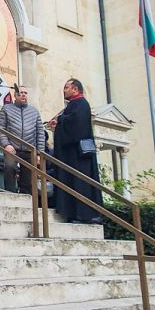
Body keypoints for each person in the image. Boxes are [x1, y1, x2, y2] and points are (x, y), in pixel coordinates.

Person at [52, 79, 103, 224]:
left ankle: (83, 215)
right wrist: (60, 121)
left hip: (78, 156)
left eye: (66, 87)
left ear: (75, 89)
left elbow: (76, 125)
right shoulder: (74, 104)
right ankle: (74, 213)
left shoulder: (81, 104)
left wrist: (60, 120)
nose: (64, 90)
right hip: (72, 155)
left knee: (80, 183)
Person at [0, 86, 45, 194]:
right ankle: (10, 195)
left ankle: (26, 199)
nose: (23, 94)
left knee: (28, 178)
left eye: (25, 93)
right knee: (9, 169)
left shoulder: (34, 112)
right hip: (12, 148)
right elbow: (0, 129)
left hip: (29, 150)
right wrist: (6, 145)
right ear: (15, 95)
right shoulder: (6, 109)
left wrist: (39, 153)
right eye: (21, 92)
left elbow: (40, 133)